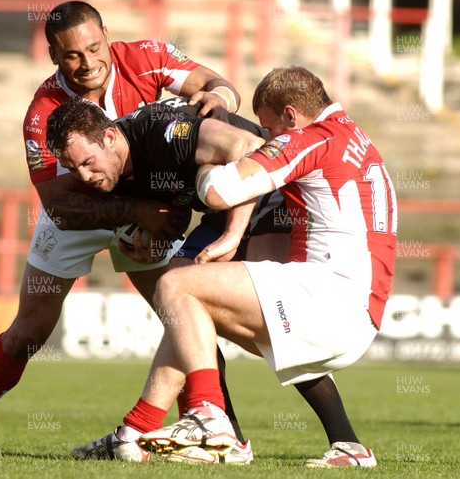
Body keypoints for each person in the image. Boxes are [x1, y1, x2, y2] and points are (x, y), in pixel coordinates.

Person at [0, 0, 245, 455]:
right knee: (27, 333)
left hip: (144, 207)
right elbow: (58, 205)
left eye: (94, 47)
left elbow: (213, 85)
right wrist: (136, 211)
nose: (87, 62)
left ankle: (207, 431)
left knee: (185, 318)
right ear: (54, 56)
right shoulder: (42, 111)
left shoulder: (145, 57)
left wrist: (223, 99)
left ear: (106, 37)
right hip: (84, 211)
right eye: (72, 55)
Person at [136, 66, 397, 468]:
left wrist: (209, 159)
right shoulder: (358, 138)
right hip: (360, 310)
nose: (269, 136)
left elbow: (218, 190)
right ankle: (346, 445)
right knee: (200, 316)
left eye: (270, 127)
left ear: (291, 115)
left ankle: (210, 422)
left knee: (176, 286)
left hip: (330, 299)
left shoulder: (311, 139)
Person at [44, 95, 286, 464]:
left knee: (281, 331)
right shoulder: (114, 171)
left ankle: (210, 421)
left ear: (110, 138)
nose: (84, 177)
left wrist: (234, 235)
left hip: (279, 195)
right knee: (178, 291)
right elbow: (170, 208)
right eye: (73, 169)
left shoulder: (159, 131)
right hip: (227, 211)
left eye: (88, 163)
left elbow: (250, 148)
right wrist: (152, 239)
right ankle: (146, 429)